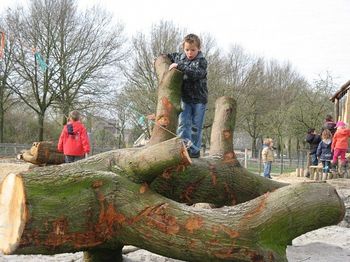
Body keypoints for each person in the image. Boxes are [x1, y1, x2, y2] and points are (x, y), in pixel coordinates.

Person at [166, 33, 208, 158]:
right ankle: (183, 147)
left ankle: (194, 150)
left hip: (199, 100)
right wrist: (159, 58)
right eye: (187, 50)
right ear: (183, 49)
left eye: (193, 50)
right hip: (185, 98)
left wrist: (179, 66)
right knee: (183, 123)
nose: (190, 53)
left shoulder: (201, 61)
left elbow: (196, 74)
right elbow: (169, 56)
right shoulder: (180, 57)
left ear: (199, 49)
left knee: (196, 127)